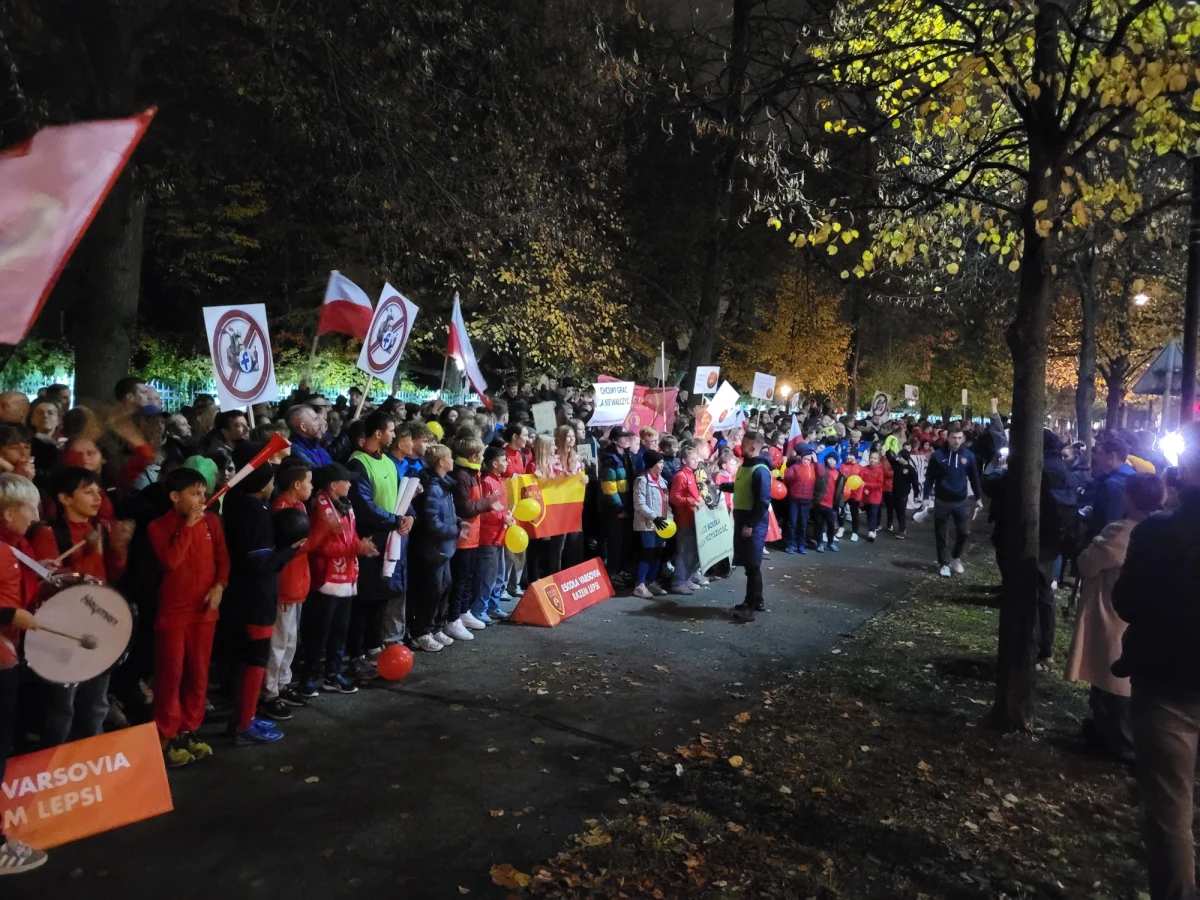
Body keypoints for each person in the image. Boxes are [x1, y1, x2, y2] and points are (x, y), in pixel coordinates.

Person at [1112, 420, 1200, 900]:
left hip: (1167, 684)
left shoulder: (1158, 533)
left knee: (1169, 812)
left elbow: (1126, 602)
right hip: (1170, 679)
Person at [1064, 472, 1163, 762]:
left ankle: (1116, 741)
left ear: (1130, 498)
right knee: (1116, 674)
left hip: (1111, 610)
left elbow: (1087, 563)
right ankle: (1107, 733)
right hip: (1143, 612)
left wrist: (1094, 542)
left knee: (1111, 674)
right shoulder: (1163, 529)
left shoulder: (1120, 533)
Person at [30, 468, 130, 746]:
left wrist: (118, 549)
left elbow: (110, 576)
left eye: (98, 491)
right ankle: (57, 760)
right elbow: (52, 585)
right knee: (62, 706)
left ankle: (90, 756)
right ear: (64, 498)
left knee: (96, 701)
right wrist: (92, 553)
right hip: (64, 629)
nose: (97, 498)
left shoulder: (99, 528)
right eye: (87, 492)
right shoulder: (48, 533)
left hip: (99, 621)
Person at [148, 467, 230, 766]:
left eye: (203, 493)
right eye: (194, 494)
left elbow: (223, 558)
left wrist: (219, 586)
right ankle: (166, 734)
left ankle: (189, 729)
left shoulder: (213, 522)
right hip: (174, 613)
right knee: (171, 675)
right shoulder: (158, 526)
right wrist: (189, 527)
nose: (202, 499)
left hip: (205, 612)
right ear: (174, 496)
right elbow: (171, 562)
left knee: (198, 673)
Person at [221, 445, 294, 745]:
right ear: (261, 485)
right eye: (270, 480)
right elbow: (261, 562)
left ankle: (245, 716)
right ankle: (244, 724)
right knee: (253, 661)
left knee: (246, 660)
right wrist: (290, 550)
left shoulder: (236, 501)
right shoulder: (254, 514)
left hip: (242, 595)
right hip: (255, 598)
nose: (273, 486)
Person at [0, 475, 50, 874]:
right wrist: (8, 615)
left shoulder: (12, 549)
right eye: (29, 508)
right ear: (8, 513)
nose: (35, 516)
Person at [300, 463, 376, 695]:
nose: (350, 484)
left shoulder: (344, 504)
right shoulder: (320, 508)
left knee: (339, 631)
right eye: (346, 481)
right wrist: (356, 549)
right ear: (334, 485)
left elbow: (349, 536)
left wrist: (360, 545)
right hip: (326, 579)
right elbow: (320, 547)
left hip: (346, 578)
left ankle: (332, 675)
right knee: (319, 633)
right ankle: (308, 678)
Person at [346, 412, 412, 679]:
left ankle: (374, 646)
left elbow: (399, 495)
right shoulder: (358, 463)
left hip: (389, 540)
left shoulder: (386, 461)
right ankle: (356, 654)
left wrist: (410, 517)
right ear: (378, 433)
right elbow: (363, 506)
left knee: (381, 597)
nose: (394, 435)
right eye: (391, 430)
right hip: (369, 541)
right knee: (364, 599)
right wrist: (396, 520)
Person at [260, 459, 314, 721]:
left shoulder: (299, 506)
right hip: (286, 584)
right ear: (296, 484)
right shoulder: (280, 511)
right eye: (309, 482)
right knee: (278, 642)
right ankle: (269, 693)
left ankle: (283, 683)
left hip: (299, 582)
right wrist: (324, 532)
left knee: (291, 640)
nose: (312, 486)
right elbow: (292, 550)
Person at [407, 444, 460, 652]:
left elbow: (447, 514)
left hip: (445, 547)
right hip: (433, 548)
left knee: (445, 585)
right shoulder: (433, 488)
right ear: (441, 462)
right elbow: (433, 522)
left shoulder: (445, 485)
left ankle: (436, 626)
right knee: (431, 590)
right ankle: (421, 632)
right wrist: (455, 530)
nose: (453, 460)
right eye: (450, 457)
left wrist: (458, 522)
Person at [449, 437, 503, 638]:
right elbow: (464, 508)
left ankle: (464, 612)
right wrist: (487, 503)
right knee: (460, 580)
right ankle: (453, 618)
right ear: (473, 456)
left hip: (474, 536)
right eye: (481, 454)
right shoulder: (462, 476)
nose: (483, 457)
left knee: (469, 578)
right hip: (463, 537)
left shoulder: (474, 473)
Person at [717, 432, 772, 622]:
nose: (741, 446)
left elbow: (763, 501)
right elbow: (741, 487)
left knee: (753, 565)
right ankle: (757, 600)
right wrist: (722, 487)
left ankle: (750, 607)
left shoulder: (760, 470)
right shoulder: (746, 466)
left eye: (745, 444)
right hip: (743, 518)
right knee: (750, 565)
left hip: (752, 521)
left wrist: (750, 524)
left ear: (754, 447)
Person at [924, 424, 983, 577]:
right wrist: (925, 497)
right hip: (942, 500)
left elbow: (974, 478)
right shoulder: (938, 456)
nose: (957, 441)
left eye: (959, 438)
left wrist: (978, 497)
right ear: (947, 438)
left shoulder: (968, 456)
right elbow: (929, 478)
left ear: (963, 438)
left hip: (961, 501)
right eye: (954, 438)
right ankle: (944, 563)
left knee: (964, 532)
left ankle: (956, 557)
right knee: (941, 533)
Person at [472, 447, 513, 624]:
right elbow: (485, 511)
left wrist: (507, 515)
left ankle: (492, 605)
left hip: (500, 535)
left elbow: (500, 507)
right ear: (495, 464)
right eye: (504, 460)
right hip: (488, 537)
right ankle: (479, 609)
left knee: (498, 574)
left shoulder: (499, 481)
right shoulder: (487, 482)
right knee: (487, 575)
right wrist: (504, 517)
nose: (507, 463)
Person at [631, 450, 670, 599]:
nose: (662, 465)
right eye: (660, 462)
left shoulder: (662, 481)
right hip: (647, 523)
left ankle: (651, 581)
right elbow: (639, 504)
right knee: (648, 553)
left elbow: (666, 503)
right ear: (652, 464)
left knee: (657, 553)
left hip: (661, 524)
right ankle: (640, 585)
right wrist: (654, 517)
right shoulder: (642, 481)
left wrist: (668, 518)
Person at [600, 427, 636, 586]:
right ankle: (612, 573)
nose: (627, 439)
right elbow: (609, 488)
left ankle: (621, 570)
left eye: (628, 436)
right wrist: (619, 508)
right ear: (614, 440)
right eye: (623, 437)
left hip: (627, 505)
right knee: (615, 542)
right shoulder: (609, 459)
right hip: (615, 509)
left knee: (625, 541)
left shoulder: (627, 455)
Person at [668, 441, 704, 595]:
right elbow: (674, 497)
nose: (696, 461)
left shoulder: (692, 474)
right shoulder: (681, 476)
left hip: (694, 517)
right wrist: (692, 501)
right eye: (692, 459)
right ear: (684, 460)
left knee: (693, 550)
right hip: (684, 519)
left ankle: (687, 577)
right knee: (684, 551)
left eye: (696, 458)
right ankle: (678, 582)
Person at [1088, 436, 1136, 539]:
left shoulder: (1114, 484)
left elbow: (1112, 522)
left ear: (1112, 456)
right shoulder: (1131, 475)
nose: (1097, 457)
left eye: (1101, 453)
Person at [783, 443, 817, 553]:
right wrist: (795, 466)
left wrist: (816, 461)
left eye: (809, 459)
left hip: (806, 500)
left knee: (803, 523)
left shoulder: (813, 468)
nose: (807, 461)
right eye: (805, 459)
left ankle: (801, 544)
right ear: (801, 458)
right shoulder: (795, 467)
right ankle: (790, 544)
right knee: (792, 522)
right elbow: (787, 478)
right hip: (794, 498)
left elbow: (821, 473)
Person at [861, 450, 887, 540]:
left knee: (873, 512)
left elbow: (879, 484)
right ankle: (872, 528)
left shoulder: (879, 471)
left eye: (875, 458)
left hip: (875, 495)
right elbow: (860, 481)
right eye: (871, 458)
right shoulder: (864, 469)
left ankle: (872, 530)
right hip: (866, 495)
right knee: (868, 513)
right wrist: (864, 489)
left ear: (878, 460)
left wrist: (867, 485)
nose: (872, 460)